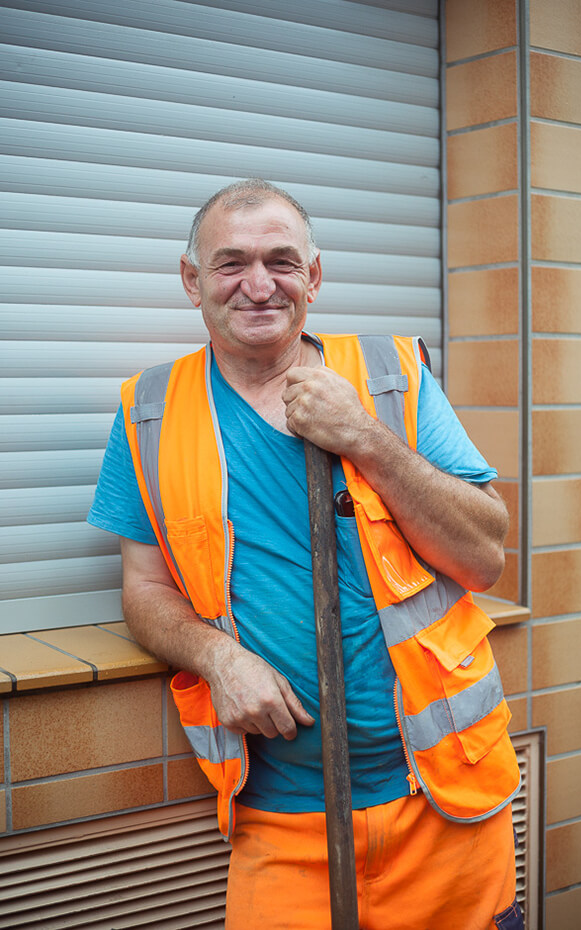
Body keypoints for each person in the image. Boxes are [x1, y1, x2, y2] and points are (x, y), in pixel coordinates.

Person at [88, 179, 524, 930]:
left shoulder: (391, 377)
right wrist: (219, 660)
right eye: (230, 263)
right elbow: (145, 589)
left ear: (314, 278)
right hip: (280, 822)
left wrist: (365, 438)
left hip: (444, 802)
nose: (259, 285)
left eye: (282, 261)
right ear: (192, 280)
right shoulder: (149, 411)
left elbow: (485, 555)